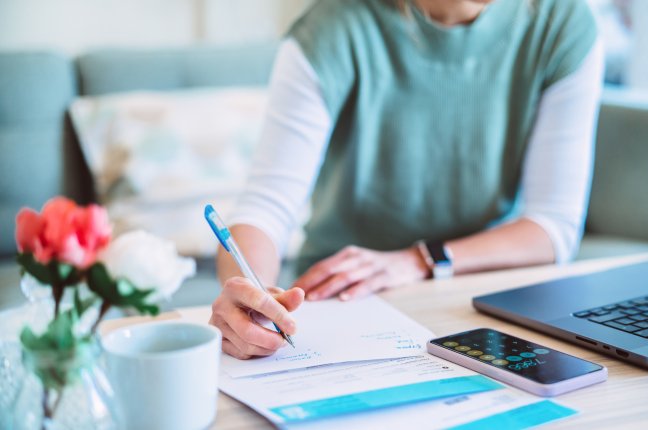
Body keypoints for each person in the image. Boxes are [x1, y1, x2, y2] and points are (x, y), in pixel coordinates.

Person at [210, 0, 604, 359]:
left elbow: (553, 227)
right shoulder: (332, 27)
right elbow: (266, 204)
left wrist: (419, 260)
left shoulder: (561, 23)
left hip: (488, 294)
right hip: (341, 299)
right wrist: (249, 295)